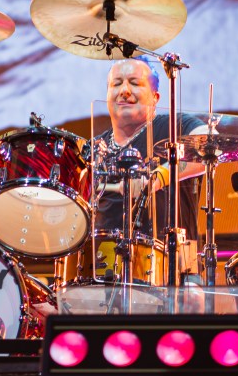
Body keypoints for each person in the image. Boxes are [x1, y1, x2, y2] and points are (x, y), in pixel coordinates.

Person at [78, 56, 209, 284]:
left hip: (173, 270)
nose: (124, 91)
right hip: (103, 273)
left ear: (155, 98)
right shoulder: (94, 148)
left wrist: (158, 177)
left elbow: (209, 145)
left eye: (134, 83)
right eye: (116, 84)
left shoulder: (174, 127)